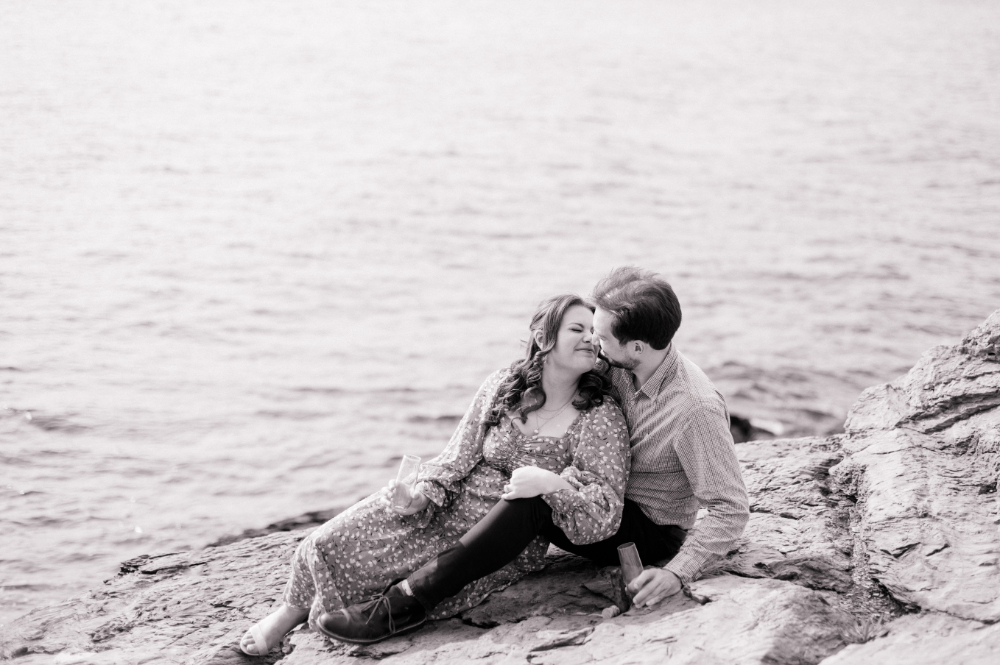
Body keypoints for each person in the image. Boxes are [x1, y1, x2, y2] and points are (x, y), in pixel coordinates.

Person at [321, 266, 750, 644]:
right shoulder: (622, 363)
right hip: (593, 492)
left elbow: (730, 509)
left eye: (600, 337)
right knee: (514, 478)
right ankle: (384, 571)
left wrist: (677, 572)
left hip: (642, 526)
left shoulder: (694, 409)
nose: (593, 345)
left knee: (536, 498)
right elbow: (558, 373)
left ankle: (407, 603)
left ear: (636, 347)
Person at [240, 294, 631, 656]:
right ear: (543, 336)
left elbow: (603, 510)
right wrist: (420, 497)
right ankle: (291, 611)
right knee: (329, 541)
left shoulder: (599, 416)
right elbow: (456, 456)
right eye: (576, 329)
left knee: (398, 576)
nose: (589, 339)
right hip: (446, 502)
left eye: (592, 333)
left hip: (493, 533)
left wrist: (554, 485)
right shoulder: (503, 386)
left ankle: (354, 613)